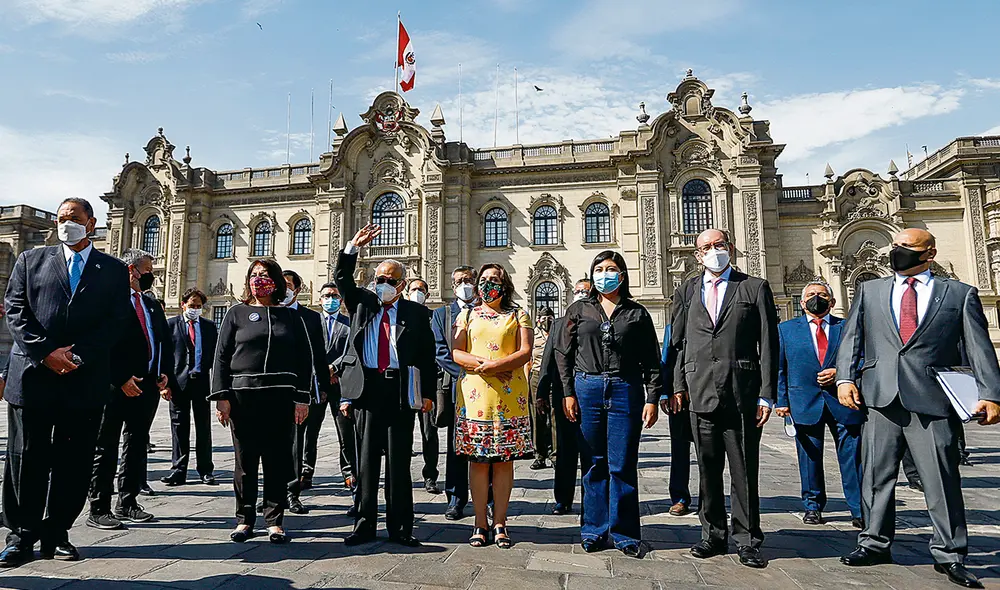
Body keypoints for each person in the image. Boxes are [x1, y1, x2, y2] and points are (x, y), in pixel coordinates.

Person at [836, 228, 1000, 589]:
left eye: (907, 247)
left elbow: (978, 347)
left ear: (929, 253)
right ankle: (874, 542)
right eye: (896, 246)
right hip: (880, 397)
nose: (897, 252)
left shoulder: (958, 294)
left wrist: (991, 393)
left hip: (931, 400)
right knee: (876, 476)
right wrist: (845, 378)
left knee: (940, 478)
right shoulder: (871, 290)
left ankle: (950, 553)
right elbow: (853, 339)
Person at [1, 198, 131, 565]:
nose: (65, 224)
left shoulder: (113, 269)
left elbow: (117, 321)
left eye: (73, 218)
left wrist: (78, 355)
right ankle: (21, 535)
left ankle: (57, 532)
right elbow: (16, 309)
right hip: (33, 375)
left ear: (91, 224)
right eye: (61, 218)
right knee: (25, 458)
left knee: (74, 461)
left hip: (83, 379)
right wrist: (47, 352)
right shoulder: (32, 260)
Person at [669, 228, 778, 569]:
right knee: (707, 468)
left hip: (741, 393)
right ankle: (713, 534)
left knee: (744, 469)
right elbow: (678, 342)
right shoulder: (687, 289)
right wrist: (676, 386)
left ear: (730, 248)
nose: (713, 251)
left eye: (718, 245)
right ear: (697, 255)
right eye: (706, 247)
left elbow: (769, 344)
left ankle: (747, 537)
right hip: (699, 391)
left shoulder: (753, 287)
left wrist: (766, 395)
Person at [335, 224, 437, 547]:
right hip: (367, 390)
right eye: (379, 279)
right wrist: (352, 247)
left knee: (398, 462)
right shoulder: (362, 302)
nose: (383, 285)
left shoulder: (417, 314)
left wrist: (429, 395)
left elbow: (426, 357)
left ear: (402, 284)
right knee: (366, 462)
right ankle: (364, 524)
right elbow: (342, 279)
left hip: (399, 391)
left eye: (389, 281)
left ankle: (400, 527)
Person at [555, 251, 660, 558]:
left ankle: (625, 532)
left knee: (623, 462)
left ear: (622, 275)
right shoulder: (579, 310)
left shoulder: (636, 313)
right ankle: (593, 528)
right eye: (599, 269)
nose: (604, 274)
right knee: (593, 461)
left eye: (610, 269)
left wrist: (653, 396)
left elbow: (652, 360)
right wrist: (567, 392)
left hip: (625, 388)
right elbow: (564, 353)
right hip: (587, 387)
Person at [211, 259, 312, 544]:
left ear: (276, 281)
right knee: (245, 461)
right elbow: (221, 356)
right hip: (243, 397)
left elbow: (305, 361)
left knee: (277, 460)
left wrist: (302, 399)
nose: (258, 280)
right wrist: (221, 397)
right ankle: (244, 520)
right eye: (254, 275)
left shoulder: (291, 317)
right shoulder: (236, 313)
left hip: (280, 397)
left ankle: (274, 520)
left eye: (264, 275)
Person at [87, 249, 177, 530]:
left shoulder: (150, 304)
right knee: (106, 445)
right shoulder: (109, 302)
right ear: (131, 270)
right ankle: (99, 506)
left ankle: (128, 501)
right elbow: (101, 345)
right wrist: (121, 377)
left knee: (137, 444)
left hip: (148, 385)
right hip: (115, 387)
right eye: (148, 269)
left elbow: (163, 341)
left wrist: (165, 373)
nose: (152, 275)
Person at [453, 263, 534, 549]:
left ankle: (500, 521)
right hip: (476, 397)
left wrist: (499, 364)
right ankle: (479, 522)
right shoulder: (467, 315)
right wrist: (485, 366)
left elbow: (525, 352)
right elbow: (457, 351)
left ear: (505, 284)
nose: (489, 284)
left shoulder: (518, 315)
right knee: (478, 461)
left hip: (509, 398)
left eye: (494, 279)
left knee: (503, 462)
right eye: (483, 279)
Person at [775, 280, 863, 528]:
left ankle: (858, 508)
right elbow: (780, 368)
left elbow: (862, 358)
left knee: (852, 457)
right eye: (811, 294)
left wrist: (841, 373)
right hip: (804, 401)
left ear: (832, 302)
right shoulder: (786, 329)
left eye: (822, 294)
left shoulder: (846, 328)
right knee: (809, 457)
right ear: (802, 303)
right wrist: (782, 401)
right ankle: (812, 506)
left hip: (843, 401)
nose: (817, 298)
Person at [299, 282, 356, 516]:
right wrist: (321, 372)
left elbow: (352, 350)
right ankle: (306, 471)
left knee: (345, 432)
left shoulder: (349, 324)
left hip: (340, 385)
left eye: (334, 296)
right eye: (326, 296)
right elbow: (307, 350)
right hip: (315, 384)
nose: (330, 299)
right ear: (319, 299)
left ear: (340, 300)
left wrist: (334, 368)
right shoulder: (311, 322)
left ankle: (349, 472)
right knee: (310, 431)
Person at [537, 279, 590, 515]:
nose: (580, 295)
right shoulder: (559, 324)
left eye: (585, 292)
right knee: (565, 451)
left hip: (592, 395)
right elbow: (548, 360)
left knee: (591, 451)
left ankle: (592, 499)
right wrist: (541, 393)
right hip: (563, 395)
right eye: (577, 291)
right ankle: (563, 498)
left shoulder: (599, 321)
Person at [282, 270, 333, 516]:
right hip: (269, 390)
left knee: (296, 442)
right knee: (272, 445)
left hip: (300, 391)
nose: (283, 289)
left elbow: (319, 356)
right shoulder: (265, 312)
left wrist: (322, 386)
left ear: (298, 289)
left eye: (288, 285)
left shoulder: (310, 318)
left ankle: (291, 493)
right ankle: (272, 493)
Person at [431, 266, 479, 521]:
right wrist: (467, 374)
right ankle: (456, 498)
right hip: (458, 387)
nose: (464, 284)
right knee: (456, 446)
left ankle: (489, 498)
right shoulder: (442, 314)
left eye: (468, 280)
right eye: (459, 281)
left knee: (485, 444)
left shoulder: (488, 311)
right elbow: (439, 351)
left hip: (487, 388)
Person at [162, 288, 218, 487]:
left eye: (198, 306)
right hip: (178, 383)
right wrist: (164, 384)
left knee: (203, 426)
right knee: (179, 427)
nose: (195, 309)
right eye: (192, 305)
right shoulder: (170, 325)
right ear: (182, 304)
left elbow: (215, 357)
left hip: (201, 382)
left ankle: (205, 469)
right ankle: (178, 469)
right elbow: (164, 356)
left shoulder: (210, 327)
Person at [407, 278, 443, 495]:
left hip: (428, 381)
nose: (417, 293)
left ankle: (430, 476)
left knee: (430, 432)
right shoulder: (401, 317)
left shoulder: (433, 317)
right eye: (413, 289)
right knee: (404, 431)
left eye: (421, 290)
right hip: (407, 381)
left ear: (427, 295)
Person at [659, 323, 694, 517]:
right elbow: (667, 358)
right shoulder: (673, 327)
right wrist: (665, 392)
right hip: (678, 397)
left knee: (710, 452)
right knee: (679, 449)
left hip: (708, 394)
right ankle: (680, 497)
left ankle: (709, 497)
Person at [528, 306, 557, 471]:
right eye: (541, 317)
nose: (545, 320)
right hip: (537, 377)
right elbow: (528, 360)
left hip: (554, 377)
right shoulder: (533, 335)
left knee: (554, 417)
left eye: (548, 316)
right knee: (537, 417)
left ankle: (555, 455)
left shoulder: (557, 334)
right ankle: (539, 455)